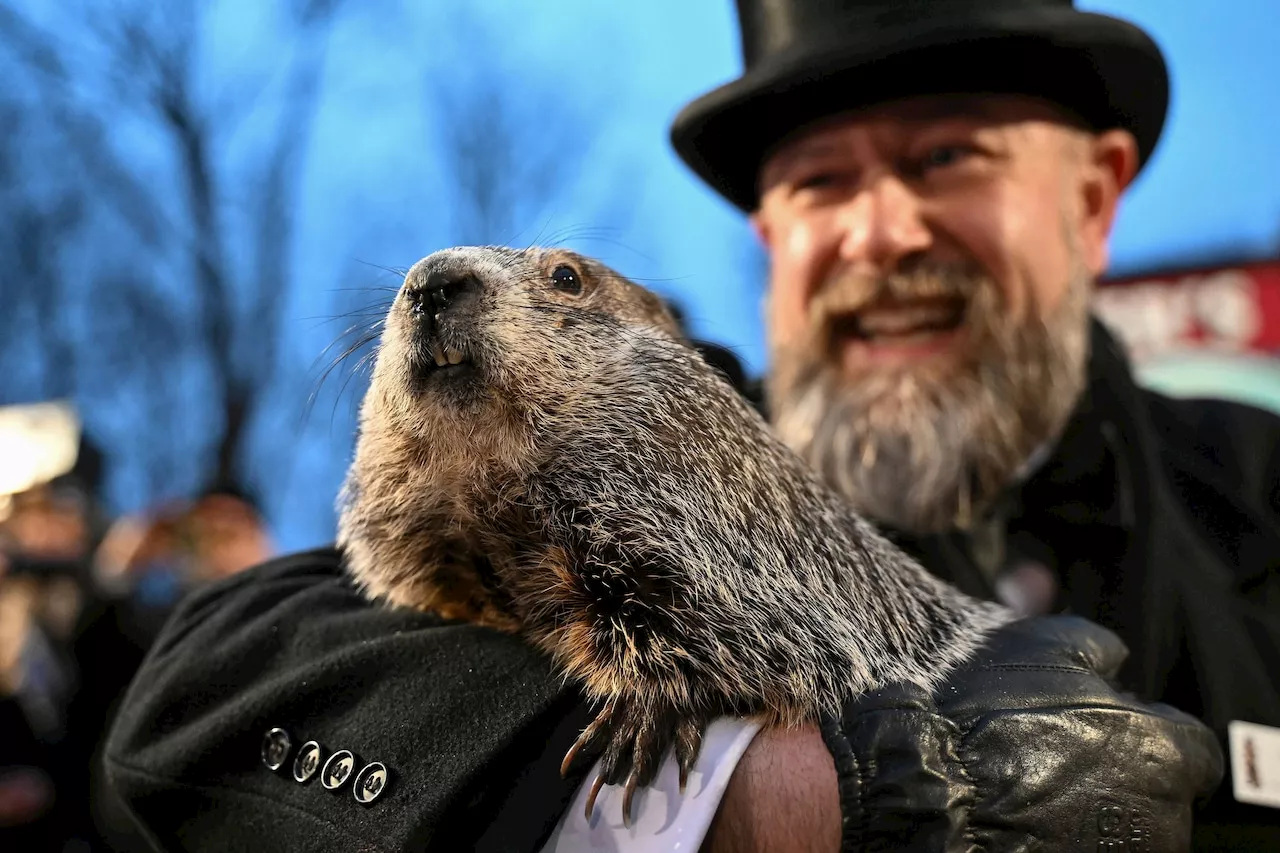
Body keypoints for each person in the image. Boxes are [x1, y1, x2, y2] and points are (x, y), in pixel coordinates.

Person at [101, 0, 1264, 850]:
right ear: (768, 239)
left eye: (946, 157)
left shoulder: (1256, 483)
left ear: (1093, 198)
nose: (879, 234)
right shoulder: (654, 426)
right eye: (817, 183)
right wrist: (754, 794)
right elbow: (204, 694)